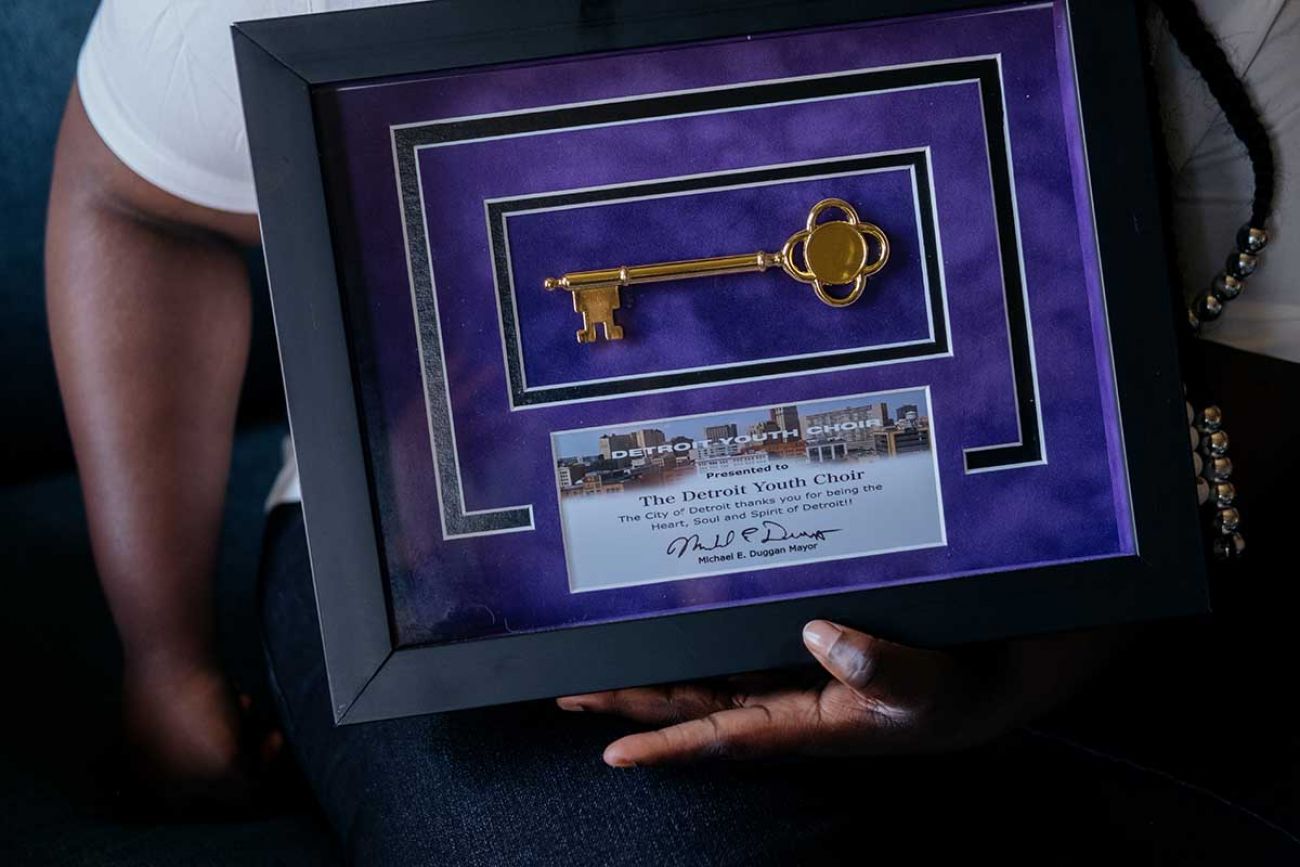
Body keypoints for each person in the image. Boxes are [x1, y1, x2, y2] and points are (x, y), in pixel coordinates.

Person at [47, 0, 1299, 861]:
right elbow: (138, 199)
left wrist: (1017, 682)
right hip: (464, 588)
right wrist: (167, 661)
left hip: (1057, 583)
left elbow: (1266, 334)